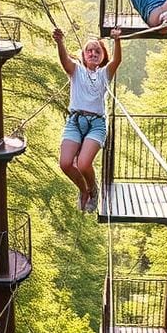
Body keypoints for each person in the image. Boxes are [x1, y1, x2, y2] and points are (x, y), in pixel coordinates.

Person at [54, 27, 122, 213]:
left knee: (84, 163)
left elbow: (117, 60)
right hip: (75, 121)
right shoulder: (76, 71)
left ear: (102, 56)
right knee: (65, 163)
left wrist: (116, 40)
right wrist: (60, 42)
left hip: (96, 124)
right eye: (89, 51)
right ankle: (83, 190)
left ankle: (93, 190)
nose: (93, 53)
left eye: (97, 51)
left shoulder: (104, 73)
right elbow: (64, 60)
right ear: (83, 55)